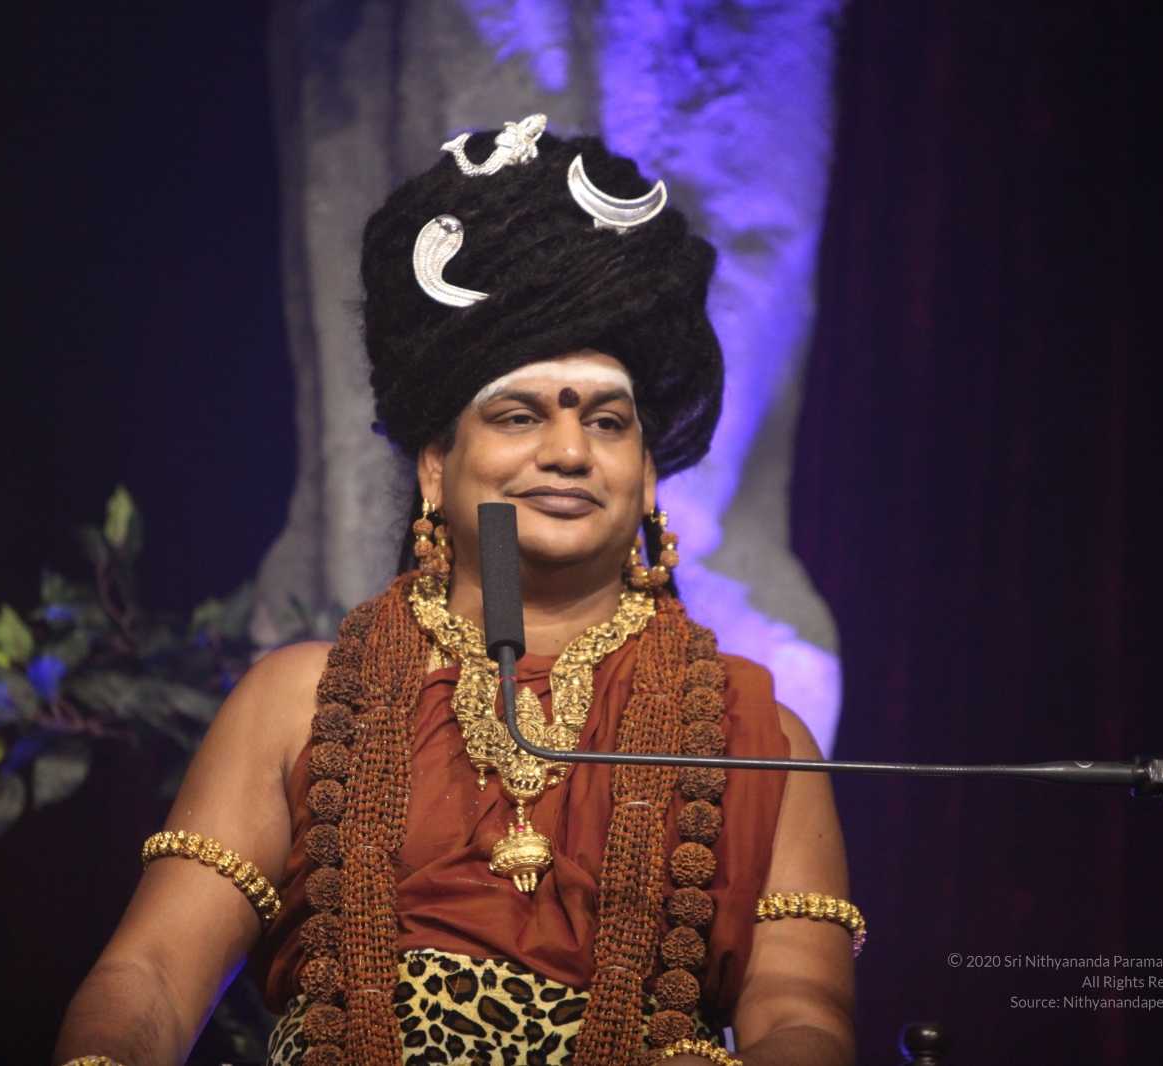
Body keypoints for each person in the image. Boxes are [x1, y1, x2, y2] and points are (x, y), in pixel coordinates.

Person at [54, 115, 858, 1066]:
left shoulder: (756, 740)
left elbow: (802, 1019)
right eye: (519, 415)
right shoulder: (298, 701)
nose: (568, 451)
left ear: (647, 476)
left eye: (607, 423)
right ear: (435, 467)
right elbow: (150, 977)